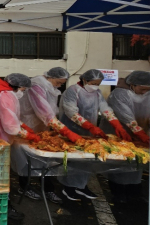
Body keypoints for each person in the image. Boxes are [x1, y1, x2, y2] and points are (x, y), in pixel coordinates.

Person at [58, 69, 127, 201]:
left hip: (89, 132)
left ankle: (81, 185)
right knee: (73, 159)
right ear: (84, 80)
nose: (95, 86)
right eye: (93, 83)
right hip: (71, 130)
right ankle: (68, 187)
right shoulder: (73, 91)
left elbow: (105, 108)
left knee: (87, 160)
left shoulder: (97, 93)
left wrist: (116, 124)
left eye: (98, 83)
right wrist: (90, 126)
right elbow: (71, 111)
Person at [0, 73, 40, 220]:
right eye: (23, 90)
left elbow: (8, 117)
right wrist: (30, 136)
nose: (23, 93)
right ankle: (3, 208)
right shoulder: (7, 95)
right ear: (18, 87)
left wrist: (24, 127)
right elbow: (10, 126)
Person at [15, 67, 70, 204]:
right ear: (50, 77)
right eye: (58, 82)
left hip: (42, 126)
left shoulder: (48, 87)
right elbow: (44, 110)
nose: (59, 85)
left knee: (45, 160)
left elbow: (49, 110)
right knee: (25, 159)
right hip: (29, 124)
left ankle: (48, 189)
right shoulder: (36, 85)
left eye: (61, 83)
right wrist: (62, 129)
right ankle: (25, 186)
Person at [99, 71, 150, 203]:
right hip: (119, 134)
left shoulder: (148, 94)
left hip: (140, 136)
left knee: (136, 164)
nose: (144, 92)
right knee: (119, 164)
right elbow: (125, 116)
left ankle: (135, 193)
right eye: (142, 89)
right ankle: (118, 193)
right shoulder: (119, 94)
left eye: (147, 89)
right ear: (133, 85)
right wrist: (139, 132)